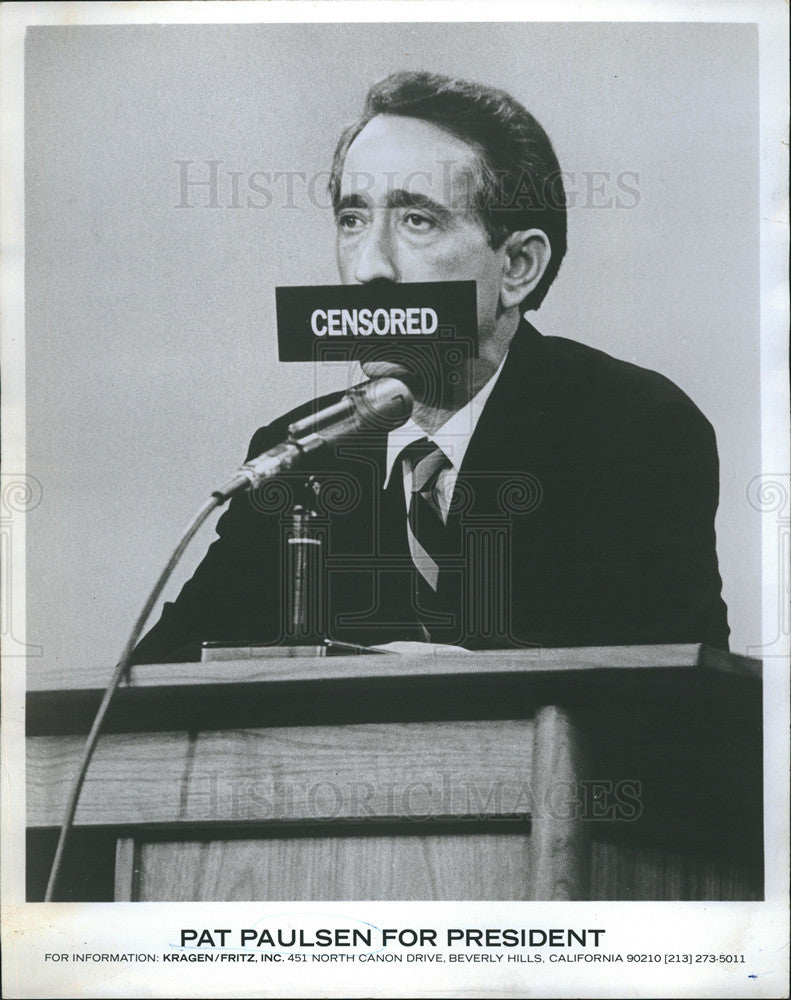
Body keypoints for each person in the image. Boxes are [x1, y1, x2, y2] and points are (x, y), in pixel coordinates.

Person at [131, 71, 729, 664]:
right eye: (352, 219)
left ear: (519, 265)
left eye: (417, 220)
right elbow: (168, 672)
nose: (370, 267)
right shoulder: (304, 450)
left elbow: (675, 700)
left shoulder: (635, 430)